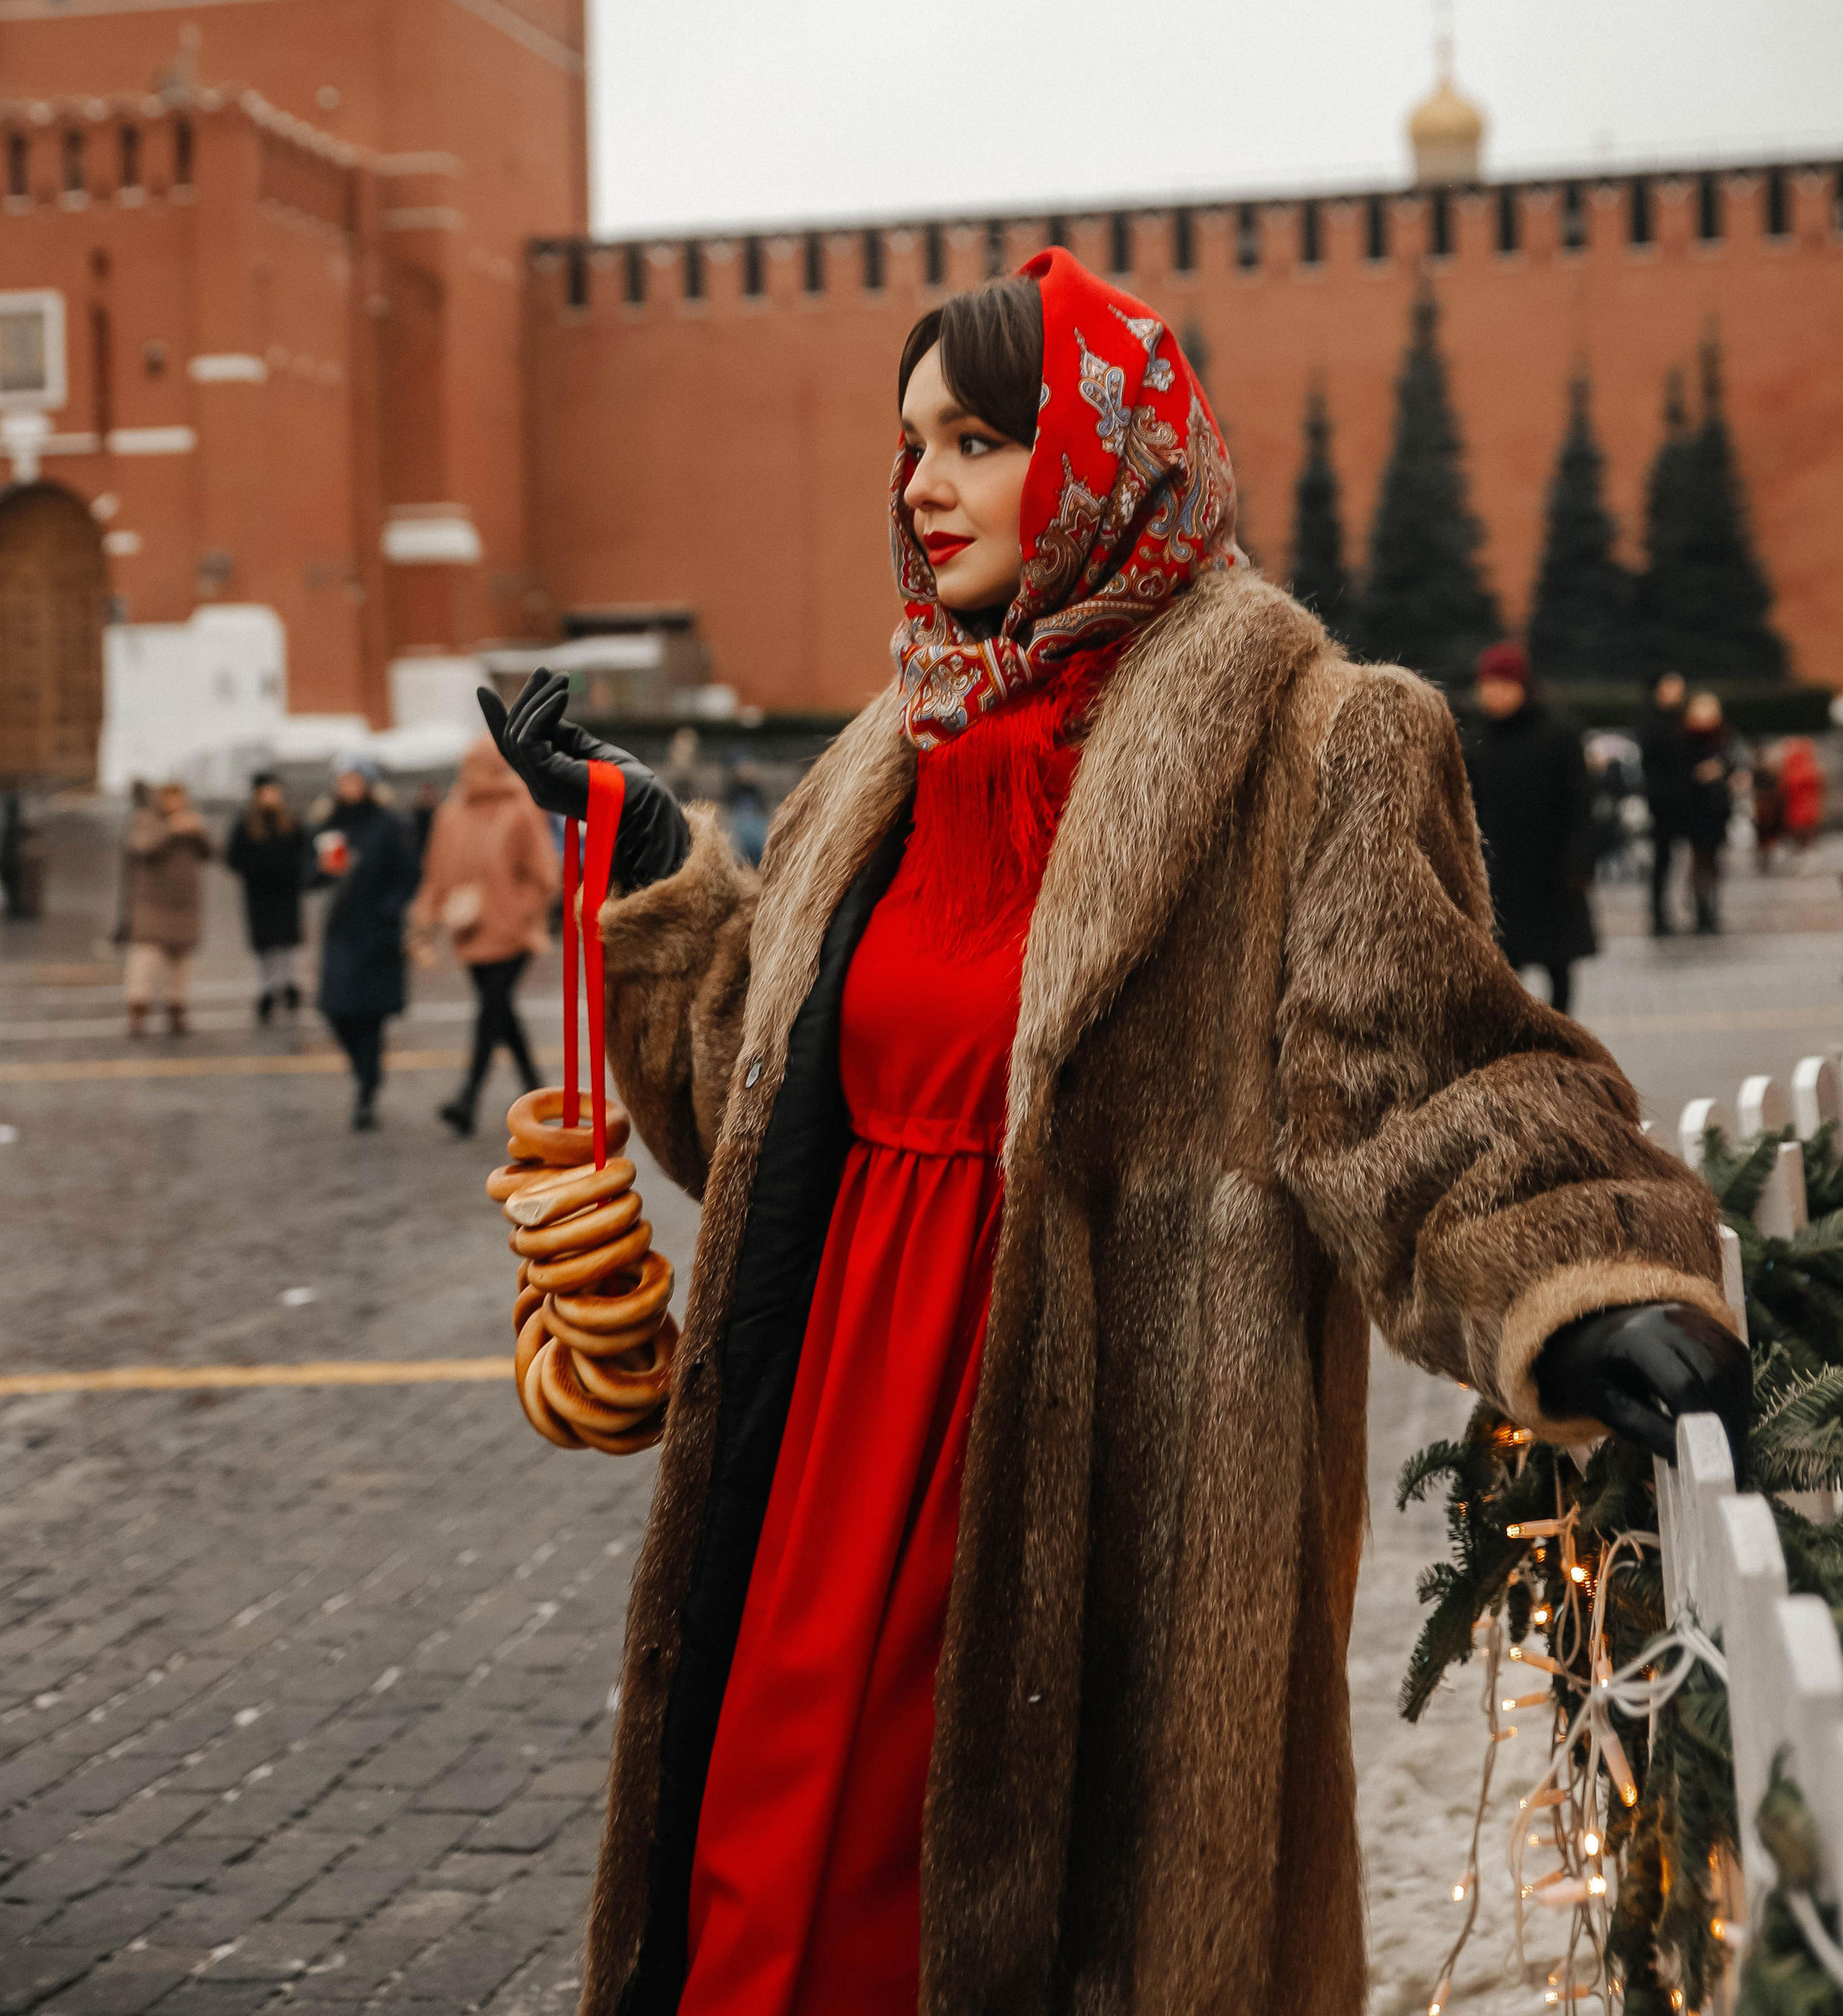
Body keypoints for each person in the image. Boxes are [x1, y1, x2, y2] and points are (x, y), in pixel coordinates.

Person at [485, 249, 1748, 2016]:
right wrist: (653, 868)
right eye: (908, 440)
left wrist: (1578, 1271)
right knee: (764, 1903)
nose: (919, 483)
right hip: (823, 1444)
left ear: (1104, 456)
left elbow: (1425, 1080)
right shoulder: (882, 757)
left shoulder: (1315, 739)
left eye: (979, 437)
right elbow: (756, 1104)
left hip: (1099, 1491)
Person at [411, 736, 559, 1138]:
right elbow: (435, 873)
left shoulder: (520, 808)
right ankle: (537, 1092)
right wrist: (424, 921)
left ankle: (467, 1099)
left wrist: (518, 913)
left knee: (490, 1012)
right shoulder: (451, 813)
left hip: (514, 935)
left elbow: (545, 874)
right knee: (501, 1014)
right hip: (471, 933)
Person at [1464, 641, 1597, 1015]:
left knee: (1559, 964)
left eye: (1504, 687)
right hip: (1499, 874)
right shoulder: (1476, 741)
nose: (1495, 696)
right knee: (1503, 969)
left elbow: (1580, 802)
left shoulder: (1559, 735)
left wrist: (1578, 860)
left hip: (1552, 871)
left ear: (1524, 687)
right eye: (1488, 687)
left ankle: (1563, 1038)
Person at [313, 756, 418, 1131]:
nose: (348, 786)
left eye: (355, 779)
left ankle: (366, 1093)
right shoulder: (331, 823)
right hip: (341, 931)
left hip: (376, 934)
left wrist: (389, 912)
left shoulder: (389, 825)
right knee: (335, 1009)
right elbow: (308, 875)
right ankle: (363, 1073)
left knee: (370, 1016)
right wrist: (322, 870)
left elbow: (409, 874)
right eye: (343, 779)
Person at [123, 780, 213, 1036]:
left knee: (180, 963)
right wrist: (170, 828)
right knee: (144, 961)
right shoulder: (146, 819)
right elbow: (141, 847)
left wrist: (198, 831)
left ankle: (177, 1011)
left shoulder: (192, 820)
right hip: (152, 904)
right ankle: (137, 1013)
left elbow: (210, 852)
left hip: (184, 905)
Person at [224, 772, 312, 1021]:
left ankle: (289, 984)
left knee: (288, 941)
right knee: (264, 943)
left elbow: (304, 854)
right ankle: (266, 990)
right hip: (259, 892)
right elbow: (234, 857)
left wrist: (291, 870)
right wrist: (259, 868)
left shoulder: (292, 823)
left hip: (286, 891)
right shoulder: (246, 824)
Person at [1639, 669, 1693, 936]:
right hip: (1664, 803)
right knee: (1663, 859)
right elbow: (1650, 765)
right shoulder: (1651, 722)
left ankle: (1698, 909)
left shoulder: (1686, 719)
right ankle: (1659, 913)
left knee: (1696, 856)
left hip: (1690, 800)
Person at [1684, 690, 1739, 936]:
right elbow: (1678, 769)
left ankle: (1712, 906)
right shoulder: (1686, 737)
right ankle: (1701, 909)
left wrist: (1723, 770)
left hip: (1717, 806)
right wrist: (1697, 774)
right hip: (1696, 806)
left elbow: (1734, 762)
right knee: (1699, 859)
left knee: (1715, 860)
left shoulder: (1724, 736)